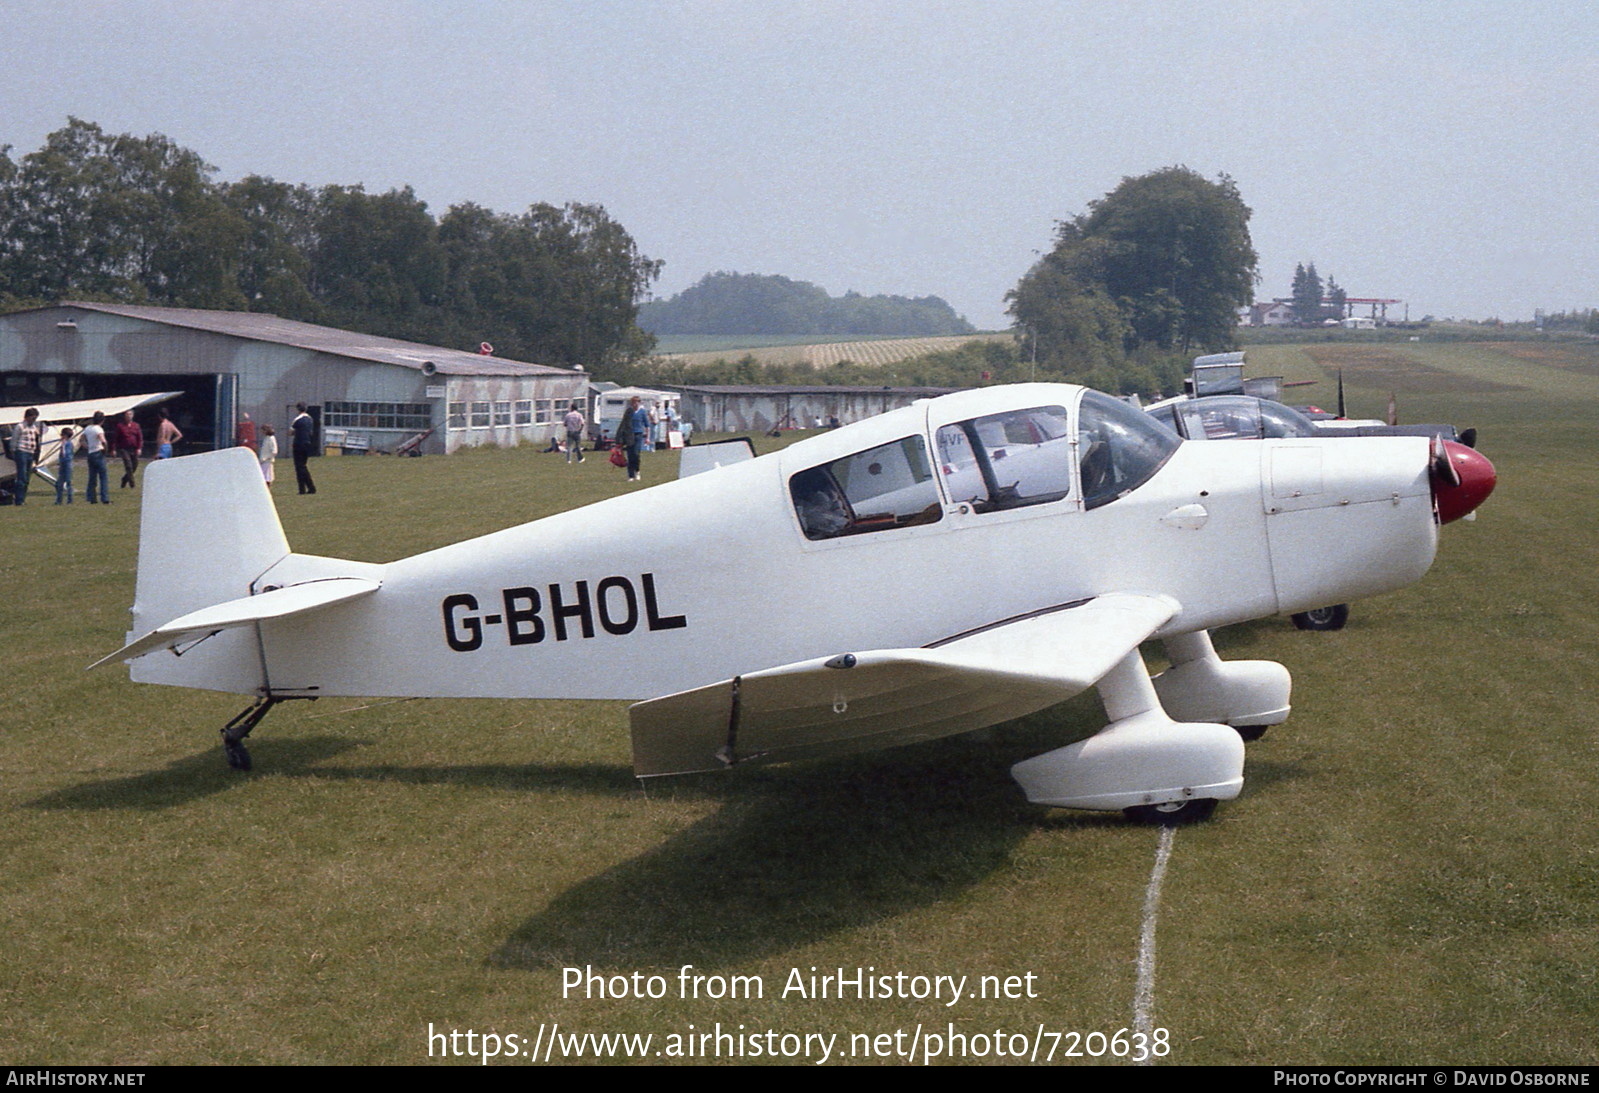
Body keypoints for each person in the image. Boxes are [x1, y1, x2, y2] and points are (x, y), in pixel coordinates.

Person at [10, 408, 46, 506]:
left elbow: (36, 439)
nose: (34, 420)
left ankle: (22, 499)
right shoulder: (20, 426)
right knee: (21, 477)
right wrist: (14, 451)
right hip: (21, 452)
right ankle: (19, 500)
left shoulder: (34, 428)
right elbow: (14, 441)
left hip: (30, 452)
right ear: (27, 417)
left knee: (27, 477)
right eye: (32, 418)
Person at [612, 395, 650, 482]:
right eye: (633, 402)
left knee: (636, 454)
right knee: (630, 454)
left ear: (639, 403)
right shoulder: (629, 411)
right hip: (629, 435)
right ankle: (631, 475)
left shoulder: (642, 412)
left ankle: (637, 471)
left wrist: (647, 438)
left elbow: (647, 425)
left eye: (636, 402)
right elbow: (624, 423)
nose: (635, 404)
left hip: (638, 434)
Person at [81, 411, 109, 504]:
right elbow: (103, 441)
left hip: (90, 453)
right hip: (98, 452)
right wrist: (105, 450)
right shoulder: (99, 429)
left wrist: (87, 447)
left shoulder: (88, 428)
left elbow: (82, 440)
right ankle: (104, 498)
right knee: (103, 477)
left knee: (92, 477)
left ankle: (91, 498)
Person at [112, 410, 143, 488]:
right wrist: (113, 449)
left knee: (134, 465)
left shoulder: (136, 426)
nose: (129, 416)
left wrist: (139, 448)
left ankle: (125, 479)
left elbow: (140, 438)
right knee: (128, 465)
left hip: (134, 448)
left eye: (130, 414)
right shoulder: (120, 426)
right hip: (124, 448)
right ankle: (132, 484)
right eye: (127, 414)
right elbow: (115, 438)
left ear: (133, 415)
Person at [291, 403, 317, 494]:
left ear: (298, 409)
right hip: (307, 443)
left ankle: (305, 488)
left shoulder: (297, 420)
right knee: (303, 465)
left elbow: (291, 432)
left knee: (299, 467)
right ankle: (307, 488)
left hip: (298, 443)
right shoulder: (310, 419)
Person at [53, 426, 76, 504]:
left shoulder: (67, 444)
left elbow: (64, 454)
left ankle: (70, 500)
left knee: (68, 482)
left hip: (67, 464)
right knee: (59, 483)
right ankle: (59, 500)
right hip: (63, 464)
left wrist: (62, 445)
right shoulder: (68, 443)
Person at [258, 424, 278, 488]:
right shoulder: (266, 438)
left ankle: (267, 489)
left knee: (267, 477)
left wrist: (266, 458)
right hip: (263, 461)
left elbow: (274, 451)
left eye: (263, 430)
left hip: (267, 461)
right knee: (263, 476)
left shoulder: (271, 438)